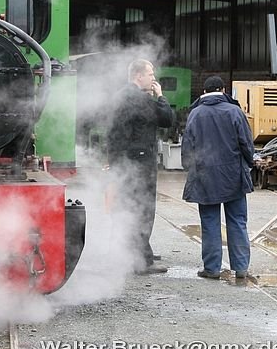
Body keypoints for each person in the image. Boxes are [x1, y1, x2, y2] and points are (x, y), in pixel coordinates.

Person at [181, 76, 255, 279]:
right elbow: (246, 143)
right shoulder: (235, 111)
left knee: (210, 222)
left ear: (204, 92)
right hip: (233, 176)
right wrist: (249, 163)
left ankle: (212, 268)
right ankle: (240, 268)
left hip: (205, 176)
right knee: (237, 220)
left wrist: (189, 167)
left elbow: (188, 147)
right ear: (223, 90)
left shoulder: (195, 114)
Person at [107, 59, 175, 274]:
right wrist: (161, 96)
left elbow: (112, 133)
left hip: (124, 161)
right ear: (138, 76)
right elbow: (166, 119)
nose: (154, 78)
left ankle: (131, 253)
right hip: (140, 161)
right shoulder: (139, 99)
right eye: (150, 74)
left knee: (126, 207)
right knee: (143, 209)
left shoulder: (118, 96)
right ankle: (142, 261)